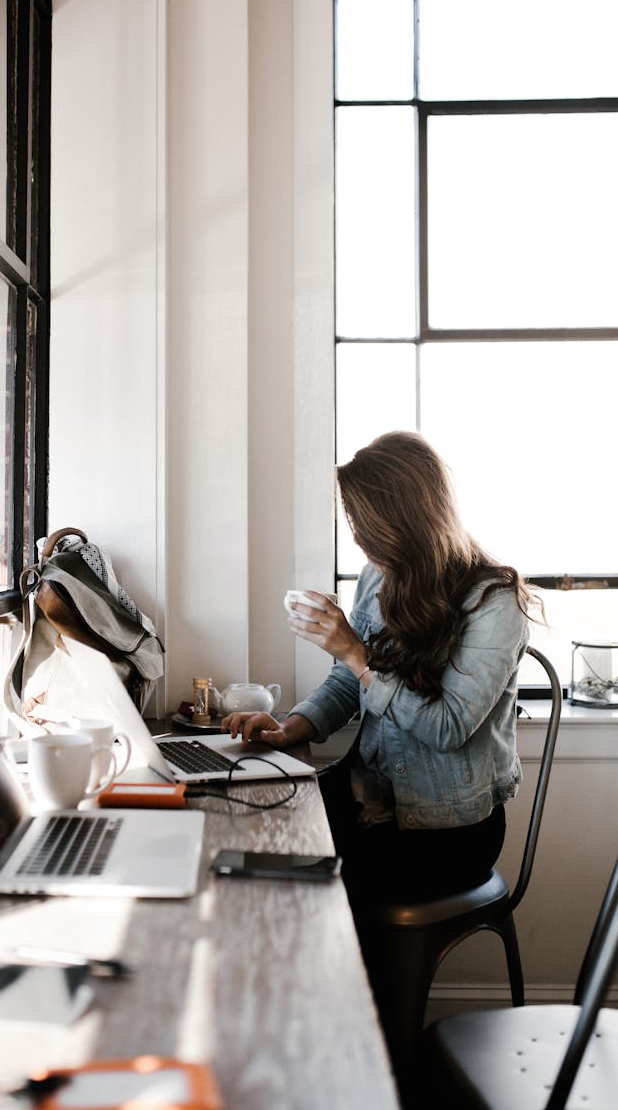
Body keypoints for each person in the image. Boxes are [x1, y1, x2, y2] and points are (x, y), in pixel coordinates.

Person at [222, 431, 540, 1048]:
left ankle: (357, 1052)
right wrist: (292, 728)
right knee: (255, 850)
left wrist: (359, 656)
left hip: (448, 832)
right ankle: (283, 1038)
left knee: (317, 891)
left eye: (361, 520)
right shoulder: (380, 577)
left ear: (403, 518)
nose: (357, 535)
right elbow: (348, 681)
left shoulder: (495, 602)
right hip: (370, 800)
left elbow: (447, 727)